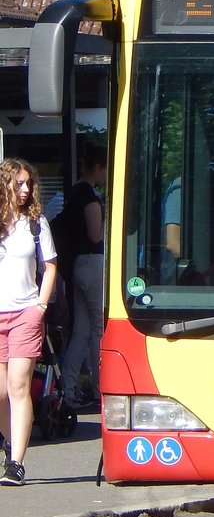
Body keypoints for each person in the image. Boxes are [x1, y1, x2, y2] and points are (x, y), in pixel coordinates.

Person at [0, 158, 58, 487]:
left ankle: (16, 463)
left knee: (18, 387)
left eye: (28, 184)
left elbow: (50, 267)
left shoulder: (35, 223)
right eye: (18, 183)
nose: (25, 190)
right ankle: (12, 442)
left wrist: (39, 306)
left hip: (25, 313)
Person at [60, 146, 107, 408]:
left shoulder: (74, 193)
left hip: (77, 266)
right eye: (104, 170)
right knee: (98, 331)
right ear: (97, 168)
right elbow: (96, 236)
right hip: (92, 263)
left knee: (80, 330)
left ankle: (69, 388)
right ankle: (102, 387)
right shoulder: (89, 198)